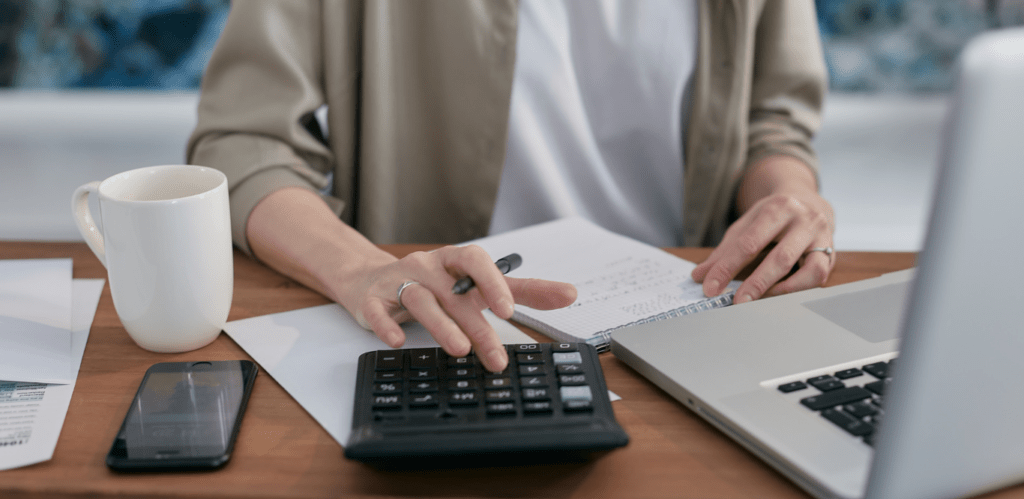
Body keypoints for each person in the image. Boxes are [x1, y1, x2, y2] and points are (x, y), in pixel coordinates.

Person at [188, 0, 834, 373]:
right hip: (443, 335)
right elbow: (246, 143)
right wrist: (362, 271)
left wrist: (790, 198)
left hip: (685, 326)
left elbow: (772, 125)